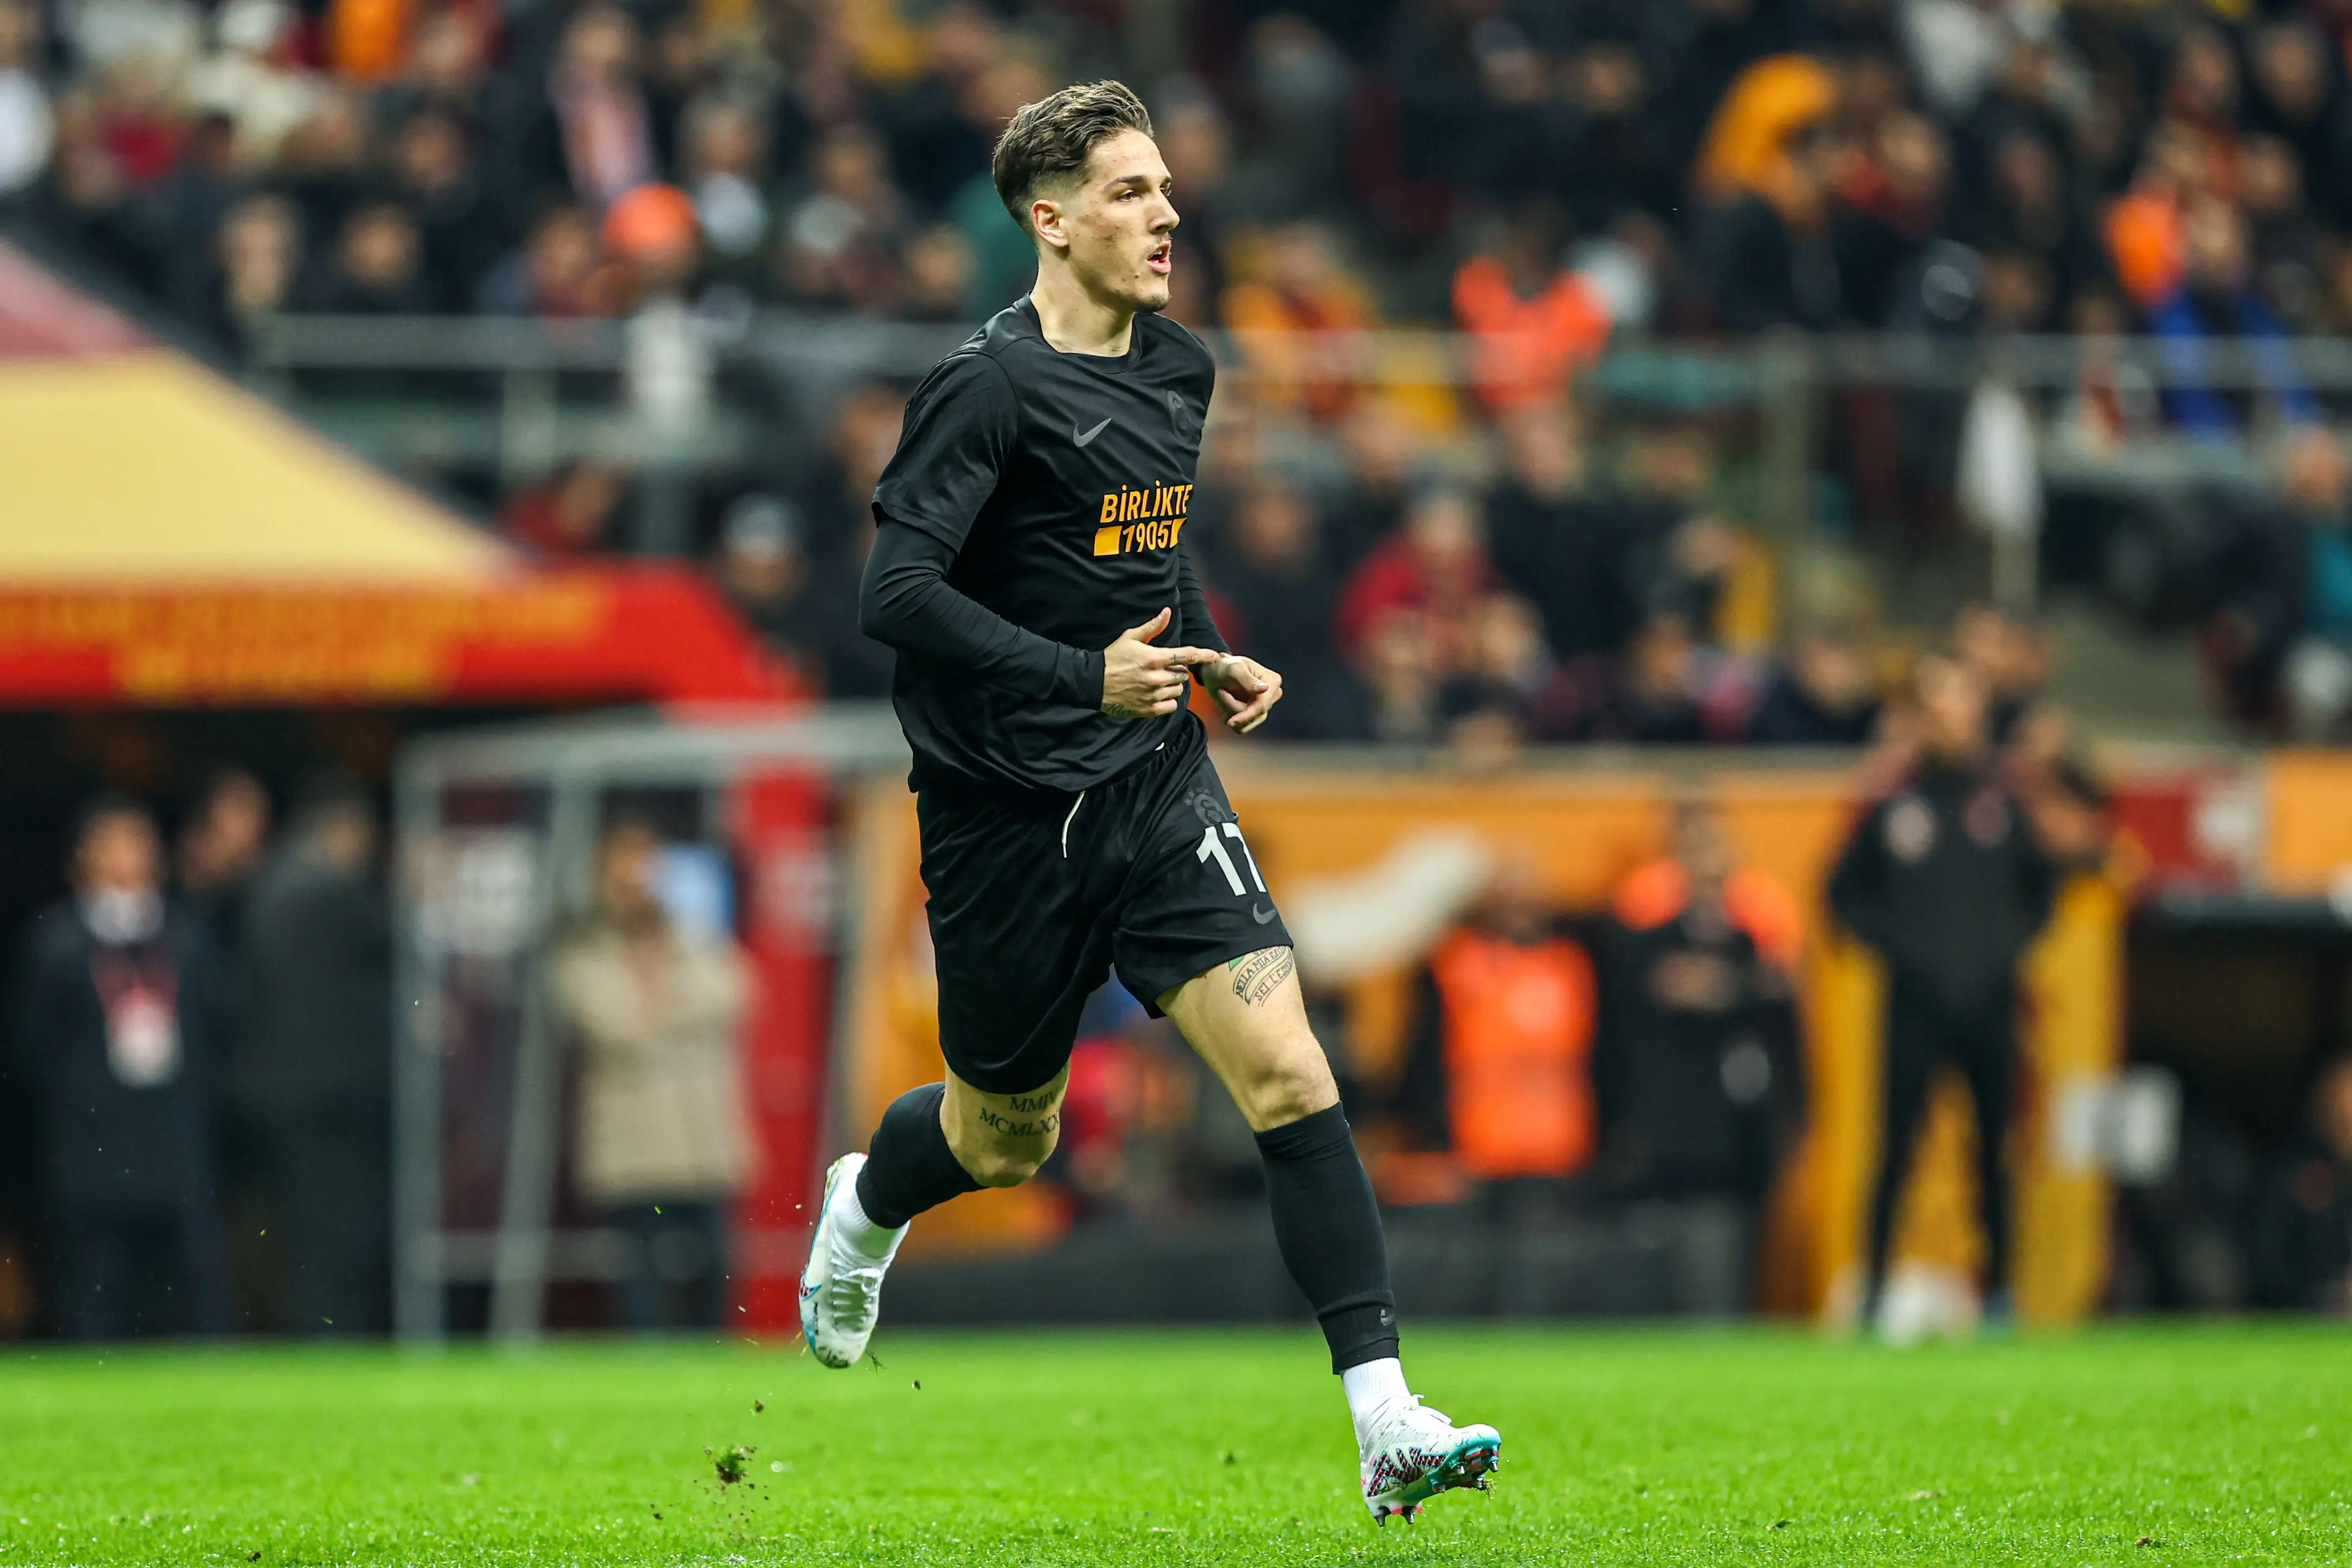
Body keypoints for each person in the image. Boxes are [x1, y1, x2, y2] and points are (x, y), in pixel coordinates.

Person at [796, 80, 1500, 1523]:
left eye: (1166, 186)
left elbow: (1137, 558)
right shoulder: (983, 387)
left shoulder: (1179, 370)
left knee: (1290, 1069)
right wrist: (1077, 673)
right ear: (1047, 223)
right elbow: (892, 593)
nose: (1166, 212)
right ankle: (869, 1201)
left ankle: (1382, 1416)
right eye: (1127, 191)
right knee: (1008, 1137)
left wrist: (1195, 647)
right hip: (999, 816)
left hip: (1149, 775)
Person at [1828, 654, 2065, 1335]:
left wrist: (2004, 952)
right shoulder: (1893, 808)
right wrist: (1903, 950)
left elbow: (2042, 891)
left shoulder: (2001, 807)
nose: (1950, 722)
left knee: (1993, 1155)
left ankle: (2000, 1297)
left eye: (1960, 706)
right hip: (1914, 1008)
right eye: (1936, 708)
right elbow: (1842, 895)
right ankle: (1873, 1290)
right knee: (1894, 1150)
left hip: (1991, 1007)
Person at [10, 796, 230, 1338]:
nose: (130, 857)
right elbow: (33, 1046)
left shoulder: (186, 935)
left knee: (199, 1282)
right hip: (94, 1139)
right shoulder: (56, 942)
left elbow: (219, 1027)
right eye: (115, 844)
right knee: (95, 1285)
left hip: (174, 1133)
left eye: (140, 843)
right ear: (84, 859)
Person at [551, 819, 753, 1332]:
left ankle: (716, 1354)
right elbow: (614, 1022)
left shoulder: (692, 937)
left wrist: (666, 981)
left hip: (699, 1137)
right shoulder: (584, 950)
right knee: (638, 1268)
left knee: (713, 1263)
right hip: (633, 1142)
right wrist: (675, 1017)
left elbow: (737, 992)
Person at [240, 776, 391, 1335]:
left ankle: (315, 1327)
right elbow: (397, 943)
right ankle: (340, 1331)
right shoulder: (336, 892)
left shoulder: (265, 888)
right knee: (347, 1227)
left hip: (281, 1091)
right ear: (343, 832)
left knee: (304, 1227)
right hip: (339, 1093)